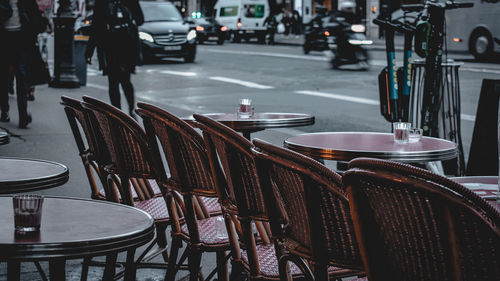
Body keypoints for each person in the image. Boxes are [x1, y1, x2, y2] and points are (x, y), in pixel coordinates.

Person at [85, 0, 144, 118]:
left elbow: (96, 26)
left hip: (109, 44)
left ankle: (117, 114)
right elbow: (140, 19)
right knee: (126, 79)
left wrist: (89, 50)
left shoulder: (102, 3)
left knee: (113, 81)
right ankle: (131, 110)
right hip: (127, 44)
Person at [0, 0, 44, 128]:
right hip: (4, 38)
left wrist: (35, 31)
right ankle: (4, 111)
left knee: (21, 74)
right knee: (3, 76)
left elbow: (34, 14)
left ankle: (23, 115)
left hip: (22, 38)